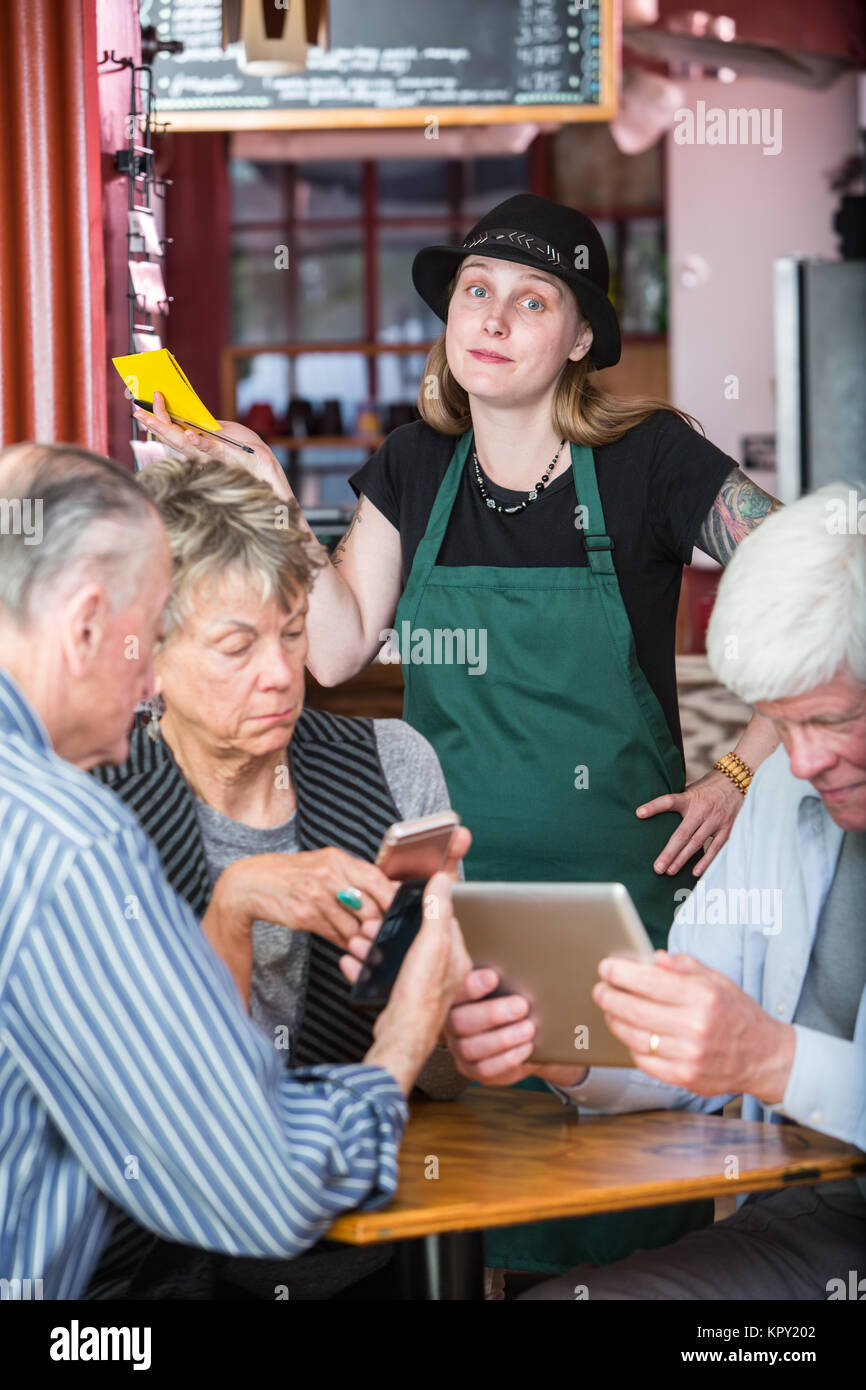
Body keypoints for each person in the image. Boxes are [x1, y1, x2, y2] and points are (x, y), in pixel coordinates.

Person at [133, 192, 782, 1274]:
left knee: (625, 1194)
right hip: (448, 907)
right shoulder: (414, 467)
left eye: (531, 300)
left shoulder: (650, 460)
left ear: (576, 340)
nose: (491, 315)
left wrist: (736, 767)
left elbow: (821, 591)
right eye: (475, 290)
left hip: (613, 902)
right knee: (467, 1189)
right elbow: (335, 648)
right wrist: (271, 487)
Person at [0, 442, 471, 1300]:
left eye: (294, 633)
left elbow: (445, 1081)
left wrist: (442, 1002)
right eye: (233, 645)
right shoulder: (82, 821)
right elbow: (239, 1164)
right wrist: (233, 920)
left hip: (354, 1256)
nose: (281, 674)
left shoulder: (388, 767)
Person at [442, 482, 866, 1299]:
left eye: (836, 720)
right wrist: (560, 1047)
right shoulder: (784, 793)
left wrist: (771, 1059)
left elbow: (752, 1056)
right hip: (800, 1226)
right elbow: (678, 1067)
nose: (805, 761)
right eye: (784, 723)